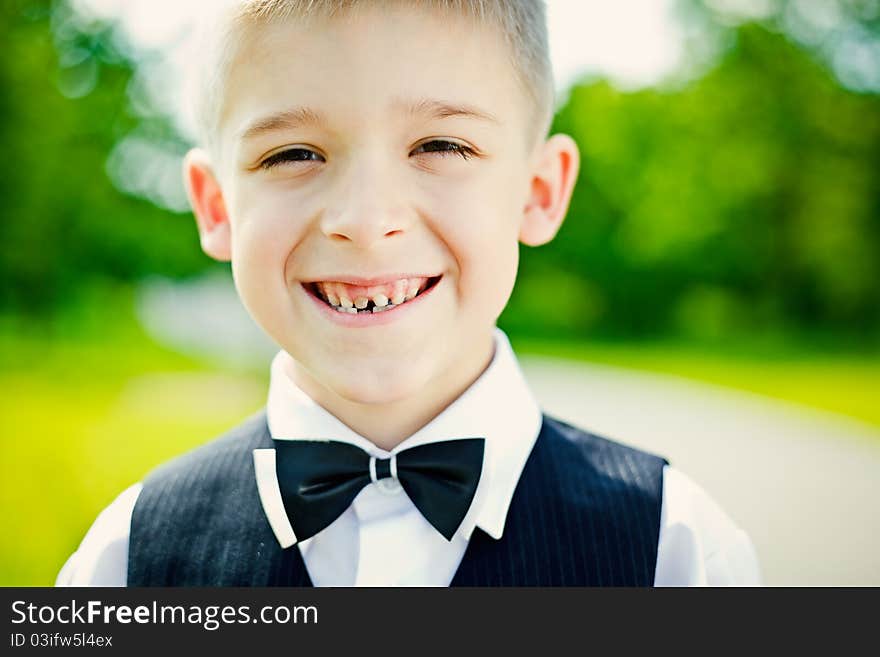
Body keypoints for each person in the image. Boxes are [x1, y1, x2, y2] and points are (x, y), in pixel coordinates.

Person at [56, 0, 760, 587]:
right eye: (293, 153)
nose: (364, 222)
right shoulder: (125, 559)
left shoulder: (678, 551)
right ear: (216, 207)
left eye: (441, 146)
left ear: (538, 191)